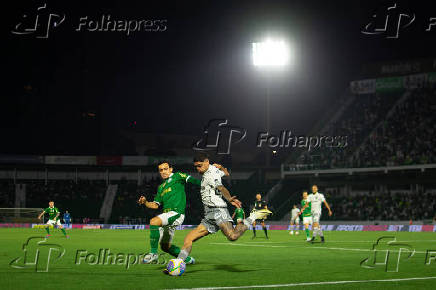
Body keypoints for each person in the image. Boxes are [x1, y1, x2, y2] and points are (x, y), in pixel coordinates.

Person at [174, 152, 261, 272]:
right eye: (196, 167)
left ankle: (253, 216)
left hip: (218, 210)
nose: (198, 169)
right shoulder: (213, 170)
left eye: (199, 165)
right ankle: (177, 265)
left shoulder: (211, 174)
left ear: (206, 162)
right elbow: (226, 174)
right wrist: (222, 168)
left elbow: (221, 187)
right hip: (209, 214)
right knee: (189, 238)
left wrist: (229, 198)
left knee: (232, 236)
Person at [139, 160, 219, 264]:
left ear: (171, 169)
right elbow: (155, 205)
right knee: (165, 247)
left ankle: (153, 254)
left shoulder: (177, 176)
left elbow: (193, 181)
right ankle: (188, 259)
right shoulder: (161, 187)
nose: (163, 171)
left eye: (165, 169)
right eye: (161, 170)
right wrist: (145, 202)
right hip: (167, 216)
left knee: (154, 221)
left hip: (176, 213)